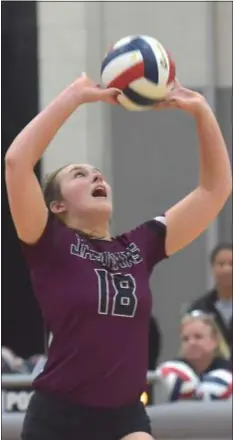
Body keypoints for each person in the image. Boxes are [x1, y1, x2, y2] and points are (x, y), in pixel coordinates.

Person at [5, 73, 232, 440]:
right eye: (80, 175)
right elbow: (17, 162)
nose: (96, 177)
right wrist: (75, 97)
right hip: (58, 419)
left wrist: (202, 111)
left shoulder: (139, 246)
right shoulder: (48, 241)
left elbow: (214, 189)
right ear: (57, 204)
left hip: (124, 418)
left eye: (98, 174)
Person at [155, 311, 232, 402]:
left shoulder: (229, 372)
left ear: (215, 340)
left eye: (198, 337)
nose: (191, 343)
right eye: (185, 339)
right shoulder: (171, 373)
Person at [188, 243, 232, 356]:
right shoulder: (200, 308)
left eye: (231, 264)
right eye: (221, 264)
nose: (227, 270)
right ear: (212, 268)